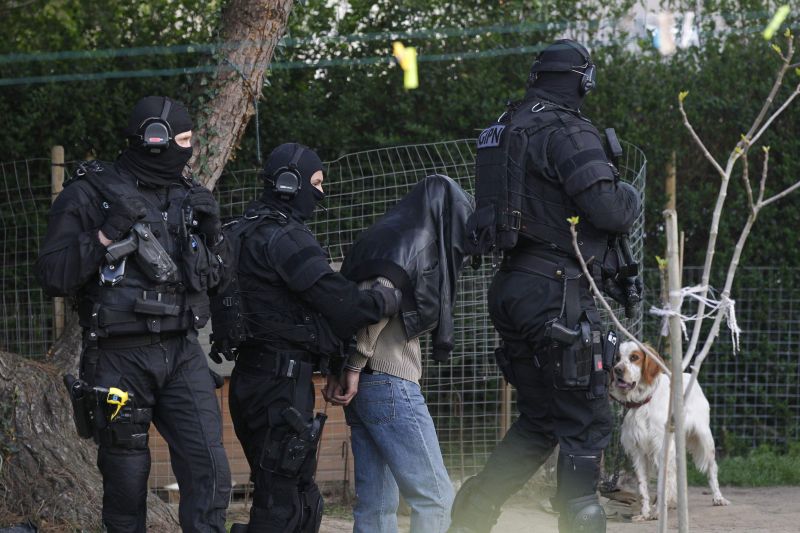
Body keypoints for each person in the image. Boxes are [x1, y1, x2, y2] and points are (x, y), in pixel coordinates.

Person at [448, 40, 642, 533]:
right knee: (585, 422)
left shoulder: (505, 127)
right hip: (559, 293)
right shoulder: (568, 130)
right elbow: (610, 210)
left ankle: (471, 516)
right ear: (582, 80)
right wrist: (630, 194)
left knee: (540, 419)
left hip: (514, 286)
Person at [36, 96, 231, 532]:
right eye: (182, 141)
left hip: (182, 352)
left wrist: (215, 234)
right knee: (125, 489)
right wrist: (105, 234)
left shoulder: (187, 195)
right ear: (154, 140)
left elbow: (217, 280)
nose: (190, 151)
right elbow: (53, 275)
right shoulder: (90, 194)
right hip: (118, 358)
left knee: (212, 474)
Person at [223, 142, 402, 533]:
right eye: (316, 182)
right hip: (279, 387)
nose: (321, 192)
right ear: (291, 183)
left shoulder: (238, 231)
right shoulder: (285, 238)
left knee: (294, 495)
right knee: (283, 503)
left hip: (253, 379)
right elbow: (340, 303)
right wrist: (388, 297)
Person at [326, 174, 473, 533]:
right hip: (390, 382)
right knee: (435, 496)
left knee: (375, 504)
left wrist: (343, 366)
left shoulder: (381, 237)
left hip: (367, 390)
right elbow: (379, 297)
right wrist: (356, 363)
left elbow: (352, 300)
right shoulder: (414, 241)